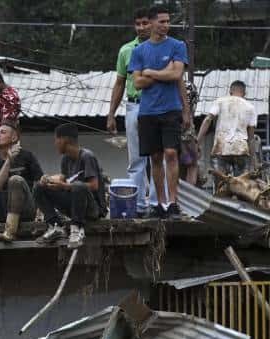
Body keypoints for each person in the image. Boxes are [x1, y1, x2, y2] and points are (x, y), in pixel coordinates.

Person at [129, 5, 189, 218]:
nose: (166, 25)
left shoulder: (177, 45)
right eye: (162, 21)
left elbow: (177, 75)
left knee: (171, 153)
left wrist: (152, 72)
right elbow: (137, 82)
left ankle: (173, 202)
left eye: (167, 21)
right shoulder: (139, 51)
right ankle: (160, 204)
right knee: (155, 157)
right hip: (147, 111)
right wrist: (166, 72)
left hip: (171, 109)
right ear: (152, 22)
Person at [106, 7, 153, 217]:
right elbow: (119, 83)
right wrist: (111, 114)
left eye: (145, 23)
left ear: (152, 23)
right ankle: (139, 206)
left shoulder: (162, 48)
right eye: (138, 24)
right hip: (134, 105)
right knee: (137, 160)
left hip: (157, 105)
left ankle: (157, 205)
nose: (141, 27)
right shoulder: (126, 50)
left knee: (159, 158)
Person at [34, 124, 105, 246]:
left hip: (92, 209)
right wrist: (48, 179)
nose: (55, 143)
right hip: (74, 206)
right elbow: (62, 178)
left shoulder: (87, 156)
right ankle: (55, 226)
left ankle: (76, 229)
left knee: (78, 186)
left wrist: (65, 186)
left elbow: (94, 186)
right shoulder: (66, 159)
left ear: (64, 140)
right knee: (39, 187)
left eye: (56, 139)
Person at [198, 80, 259, 178]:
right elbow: (251, 138)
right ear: (244, 93)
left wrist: (198, 142)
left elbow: (208, 119)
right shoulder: (250, 107)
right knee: (240, 185)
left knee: (221, 185)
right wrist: (254, 162)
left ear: (230, 91)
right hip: (241, 150)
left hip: (221, 148)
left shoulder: (220, 102)